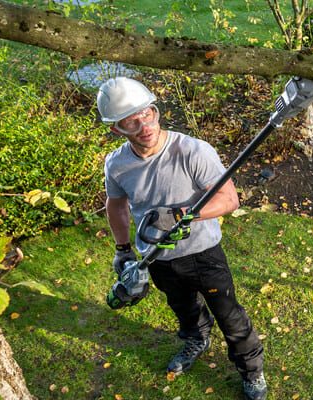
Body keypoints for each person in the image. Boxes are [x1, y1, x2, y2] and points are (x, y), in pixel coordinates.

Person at [97, 76, 266, 400]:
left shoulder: (192, 151)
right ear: (116, 129)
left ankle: (252, 371)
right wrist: (122, 250)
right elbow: (116, 205)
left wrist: (179, 214)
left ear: (155, 110)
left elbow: (229, 200)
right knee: (183, 307)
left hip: (204, 254)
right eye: (130, 119)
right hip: (157, 258)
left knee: (229, 315)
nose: (143, 124)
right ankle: (197, 339)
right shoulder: (117, 165)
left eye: (146, 112)